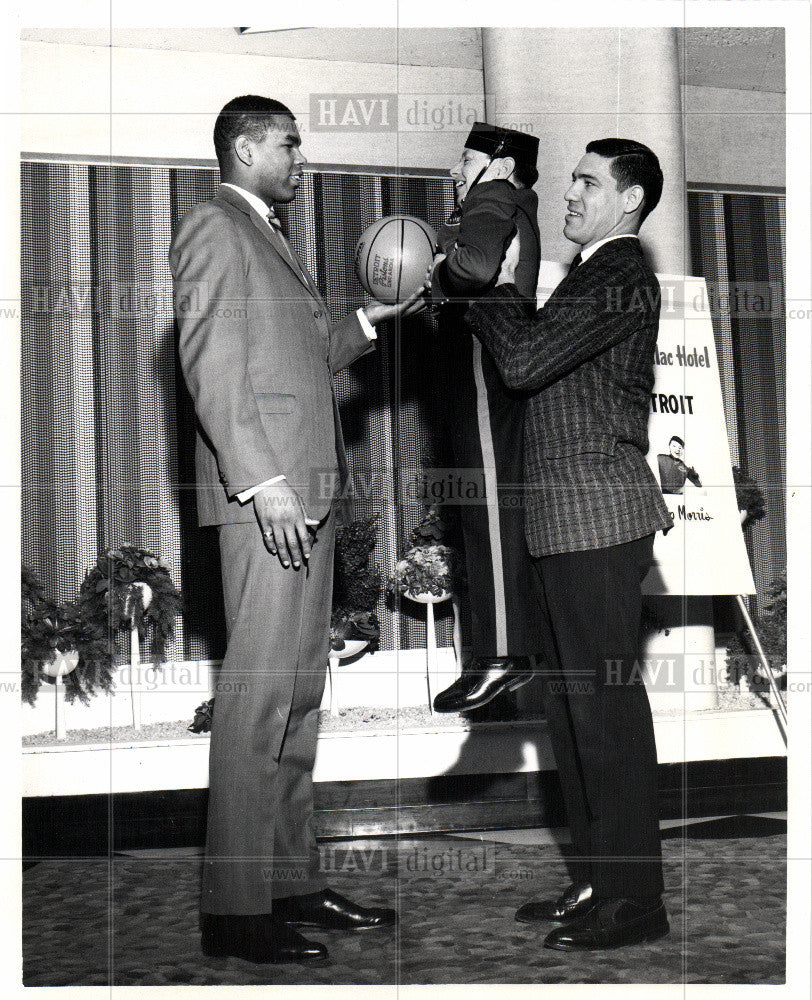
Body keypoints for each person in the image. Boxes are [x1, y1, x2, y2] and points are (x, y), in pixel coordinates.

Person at [169, 94, 421, 965]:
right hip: (267, 499)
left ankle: (288, 879)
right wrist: (261, 480)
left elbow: (292, 355)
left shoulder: (270, 234)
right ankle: (236, 910)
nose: (300, 156)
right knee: (257, 700)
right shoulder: (213, 226)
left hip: (305, 499)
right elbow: (210, 362)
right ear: (244, 148)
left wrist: (363, 324)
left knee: (299, 702)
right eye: (288, 142)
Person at [463, 139, 673, 950]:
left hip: (596, 519)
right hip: (562, 523)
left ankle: (637, 901)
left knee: (607, 716)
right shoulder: (590, 274)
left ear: (629, 201)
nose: (571, 192)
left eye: (588, 181)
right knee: (575, 713)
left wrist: (477, 284)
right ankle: (598, 879)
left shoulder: (620, 275)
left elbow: (521, 361)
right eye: (574, 179)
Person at [429, 122, 547, 716]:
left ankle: (502, 656)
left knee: (491, 507)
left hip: (481, 350)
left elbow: (474, 269)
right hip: (484, 354)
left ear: (499, 165)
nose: (456, 169)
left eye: (467, 158)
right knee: (486, 507)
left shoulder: (495, 194)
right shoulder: (506, 201)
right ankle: (500, 652)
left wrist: (432, 267)